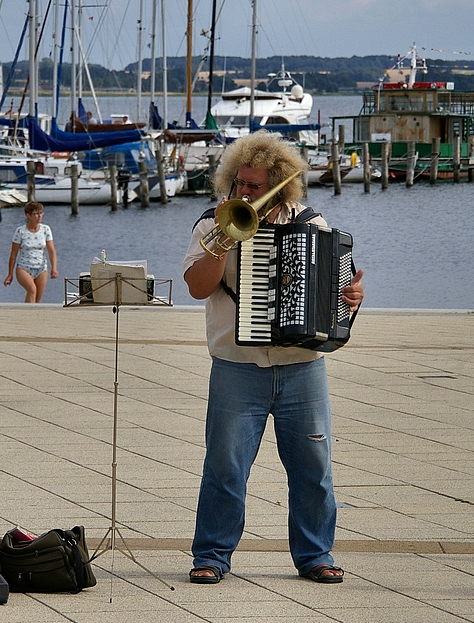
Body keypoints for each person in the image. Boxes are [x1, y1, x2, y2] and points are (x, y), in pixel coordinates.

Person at [182, 131, 365, 585]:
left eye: (255, 186)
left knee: (314, 467)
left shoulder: (313, 225)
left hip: (302, 366)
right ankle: (211, 556)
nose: (244, 192)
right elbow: (197, 287)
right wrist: (224, 240)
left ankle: (315, 555)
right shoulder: (211, 224)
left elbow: (333, 300)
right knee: (224, 466)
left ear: (280, 185)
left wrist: (352, 299)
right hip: (236, 367)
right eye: (240, 184)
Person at [4, 202, 59, 303]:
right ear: (28, 215)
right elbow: (13, 254)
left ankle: (33, 317)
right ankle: (26, 317)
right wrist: (10, 274)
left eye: (41, 213)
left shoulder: (45, 229)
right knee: (32, 290)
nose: (39, 216)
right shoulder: (20, 231)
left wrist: (54, 268)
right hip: (24, 268)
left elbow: (51, 251)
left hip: (41, 268)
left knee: (37, 300)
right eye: (36, 214)